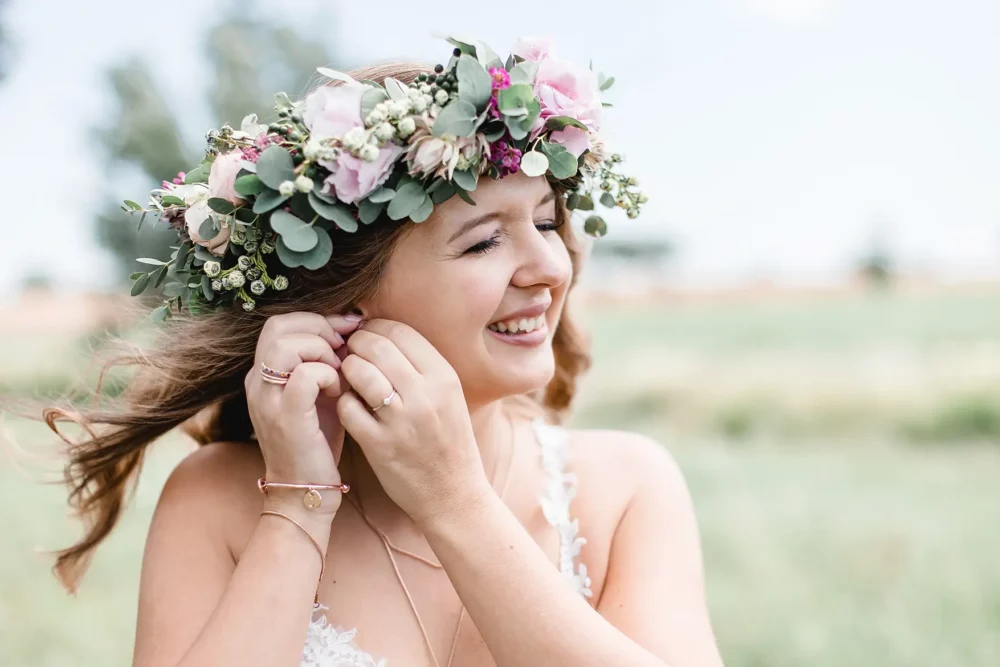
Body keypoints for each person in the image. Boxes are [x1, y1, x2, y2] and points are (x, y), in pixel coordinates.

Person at [40, 37, 723, 666]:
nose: (550, 265)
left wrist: (454, 501)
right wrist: (297, 507)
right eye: (485, 241)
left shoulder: (628, 487)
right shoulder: (215, 500)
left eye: (546, 221)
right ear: (346, 302)